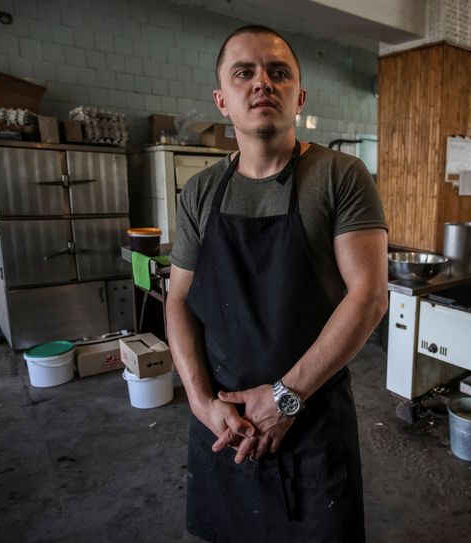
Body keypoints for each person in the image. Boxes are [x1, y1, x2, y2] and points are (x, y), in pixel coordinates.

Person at [165, 24, 388, 543]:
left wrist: (286, 397)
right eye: (244, 73)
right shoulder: (201, 192)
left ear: (299, 96)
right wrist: (201, 403)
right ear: (223, 99)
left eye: (278, 72)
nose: (261, 82)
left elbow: (370, 297)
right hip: (224, 425)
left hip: (310, 424)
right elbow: (178, 300)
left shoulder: (340, 176)